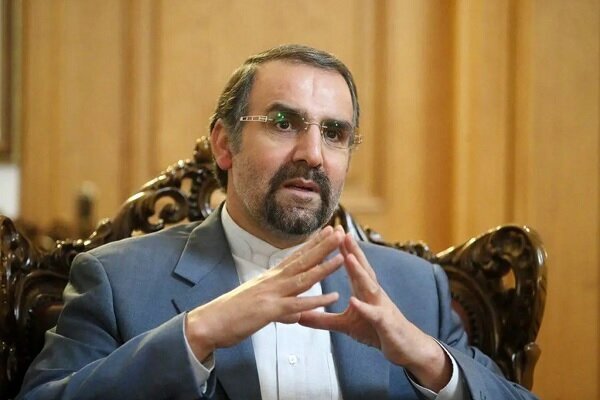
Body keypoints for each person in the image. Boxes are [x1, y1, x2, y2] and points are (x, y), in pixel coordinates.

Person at [18, 44, 538, 400]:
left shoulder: (417, 288)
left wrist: (428, 359)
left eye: (334, 133)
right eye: (284, 123)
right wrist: (197, 333)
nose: (313, 154)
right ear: (225, 144)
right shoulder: (116, 280)